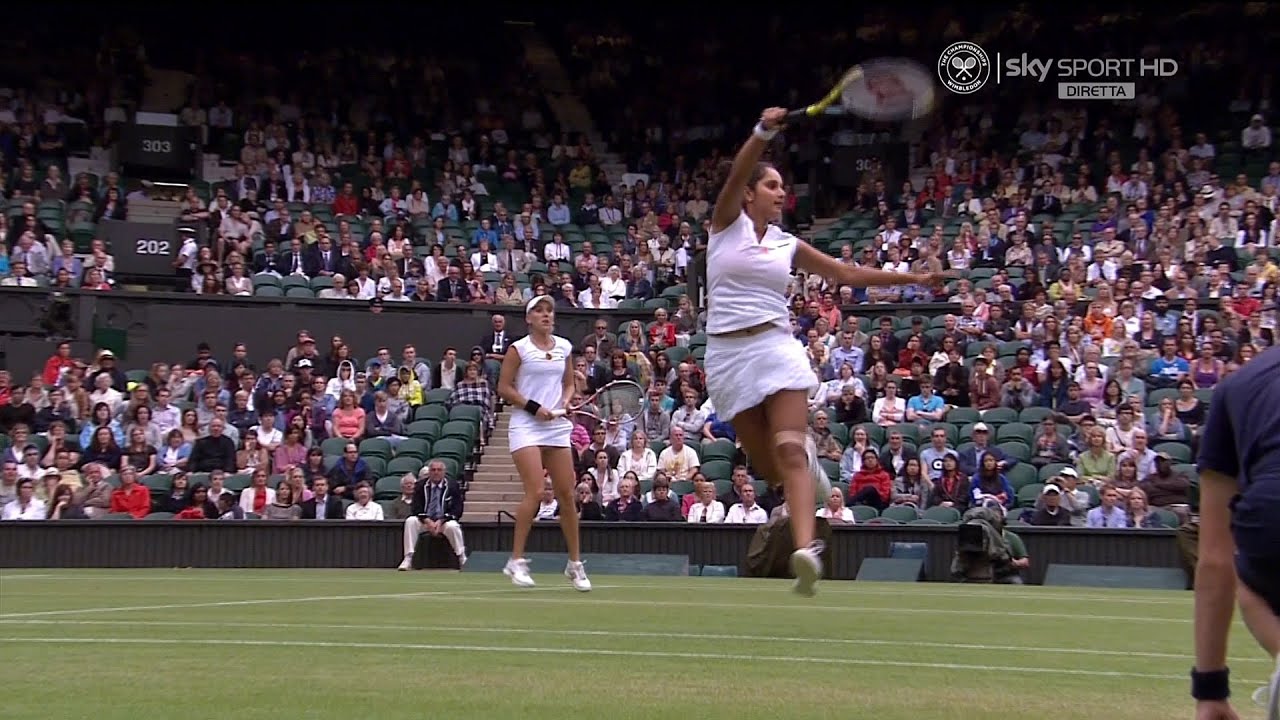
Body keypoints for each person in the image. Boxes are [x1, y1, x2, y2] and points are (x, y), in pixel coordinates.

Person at [704, 107, 944, 596]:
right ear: (749, 193)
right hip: (726, 357)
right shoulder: (725, 225)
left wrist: (914, 278)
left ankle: (806, 552)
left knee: (787, 446)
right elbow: (736, 169)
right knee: (770, 467)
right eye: (771, 185)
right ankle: (808, 471)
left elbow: (847, 275)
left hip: (775, 345)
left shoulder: (788, 245)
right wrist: (763, 130)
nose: (780, 192)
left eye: (781, 187)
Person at [1193, 344, 1280, 720]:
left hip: (1270, 511)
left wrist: (1209, 691)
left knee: (1249, 580)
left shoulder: (1238, 384)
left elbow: (1215, 558)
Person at [495, 295, 591, 591]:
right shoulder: (518, 349)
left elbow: (569, 383)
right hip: (526, 425)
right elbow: (503, 388)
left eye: (549, 310)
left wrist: (564, 402)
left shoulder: (564, 347)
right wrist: (535, 407)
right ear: (529, 318)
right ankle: (516, 561)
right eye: (539, 311)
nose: (546, 315)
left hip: (556, 427)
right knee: (536, 491)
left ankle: (575, 565)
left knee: (567, 495)